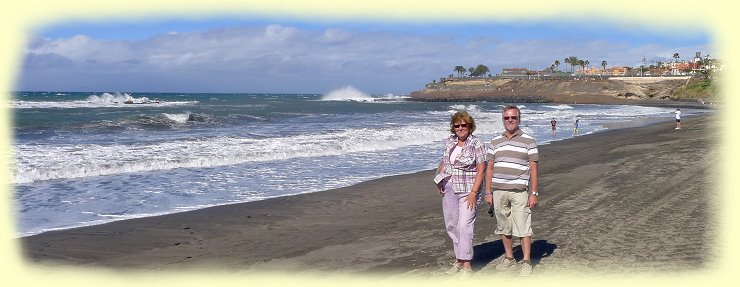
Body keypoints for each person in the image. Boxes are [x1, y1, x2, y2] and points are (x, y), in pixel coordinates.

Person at [484, 105, 539, 277]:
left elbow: (534, 169)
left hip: (519, 191)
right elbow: (490, 168)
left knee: (523, 226)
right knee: (503, 226)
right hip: (498, 190)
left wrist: (534, 193)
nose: (510, 120)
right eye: (506, 118)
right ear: (503, 120)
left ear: (519, 119)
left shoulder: (529, 141)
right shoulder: (494, 142)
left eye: (513, 117)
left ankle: (526, 261)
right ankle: (509, 257)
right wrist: (487, 192)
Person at [435, 111, 487, 278]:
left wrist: (473, 192)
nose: (460, 128)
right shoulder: (450, 142)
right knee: (452, 224)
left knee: (465, 225)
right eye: (457, 125)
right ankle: (458, 259)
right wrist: (439, 179)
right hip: (449, 188)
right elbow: (444, 162)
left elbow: (481, 169)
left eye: (464, 125)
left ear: (470, 126)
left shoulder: (476, 143)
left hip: (468, 190)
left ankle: (467, 265)